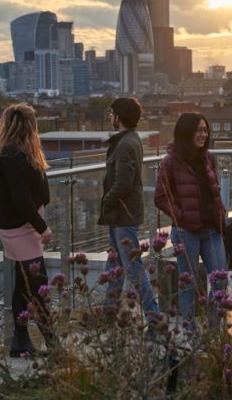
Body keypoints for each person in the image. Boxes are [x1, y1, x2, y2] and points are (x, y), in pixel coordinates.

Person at [0, 103, 54, 358]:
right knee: (38, 284)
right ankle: (53, 343)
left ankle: (20, 341)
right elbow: (20, 197)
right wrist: (42, 228)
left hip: (25, 224)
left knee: (23, 285)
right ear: (28, 125)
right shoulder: (12, 155)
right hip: (20, 227)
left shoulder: (20, 152)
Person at [154, 112, 228, 326]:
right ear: (186, 133)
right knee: (188, 284)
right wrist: (182, 215)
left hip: (212, 230)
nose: (203, 134)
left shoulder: (209, 158)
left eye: (205, 130)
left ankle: (214, 332)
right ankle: (189, 333)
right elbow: (160, 196)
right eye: (198, 130)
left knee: (220, 280)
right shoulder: (170, 161)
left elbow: (213, 191)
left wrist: (220, 214)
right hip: (187, 232)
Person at [98, 96, 160, 321]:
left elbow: (124, 181)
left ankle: (154, 318)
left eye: (111, 112)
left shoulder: (125, 143)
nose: (109, 116)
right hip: (121, 213)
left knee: (133, 269)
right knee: (115, 265)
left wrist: (107, 200)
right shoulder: (129, 139)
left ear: (119, 117)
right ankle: (108, 314)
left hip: (123, 214)